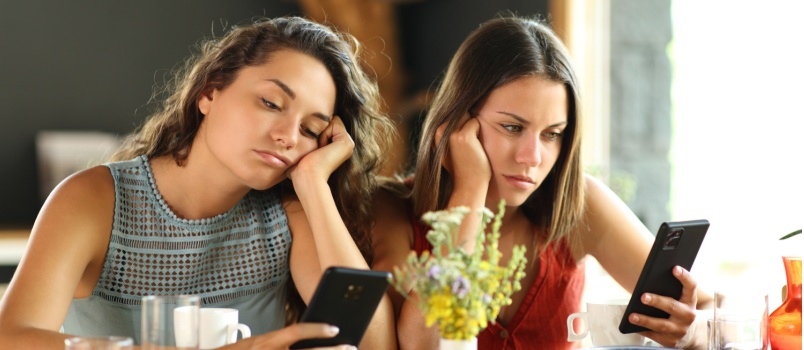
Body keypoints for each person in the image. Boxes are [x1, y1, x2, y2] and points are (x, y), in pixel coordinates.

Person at [0, 16, 396, 350]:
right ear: (210, 92)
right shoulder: (93, 200)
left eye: (311, 129)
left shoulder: (287, 213)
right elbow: (11, 338)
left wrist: (313, 183)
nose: (289, 136)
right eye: (271, 104)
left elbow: (373, 342)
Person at [371, 15, 711, 349]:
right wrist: (469, 193)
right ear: (459, 122)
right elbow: (423, 344)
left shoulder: (581, 204)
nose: (532, 156)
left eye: (552, 134)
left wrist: (691, 334)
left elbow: (710, 307)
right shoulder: (392, 211)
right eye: (512, 127)